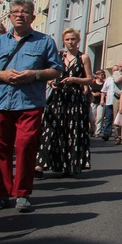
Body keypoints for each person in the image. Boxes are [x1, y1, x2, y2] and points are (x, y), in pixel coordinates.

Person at [0, 0, 62, 212]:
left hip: (30, 102)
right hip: (0, 102)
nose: (19, 15)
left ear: (33, 17)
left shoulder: (45, 41)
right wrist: (2, 75)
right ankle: (2, 193)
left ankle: (22, 193)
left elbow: (57, 70)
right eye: (15, 12)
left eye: (24, 12)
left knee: (25, 146)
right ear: (10, 16)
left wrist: (34, 74)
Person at [37, 28, 93, 177]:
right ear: (63, 41)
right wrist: (50, 82)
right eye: (67, 39)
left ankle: (70, 164)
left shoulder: (84, 57)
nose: (70, 42)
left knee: (71, 131)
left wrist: (74, 79)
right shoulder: (58, 56)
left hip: (75, 99)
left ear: (78, 40)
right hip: (58, 97)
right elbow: (48, 73)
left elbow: (89, 79)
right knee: (49, 128)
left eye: (73, 39)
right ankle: (40, 165)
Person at [99, 67, 115, 140]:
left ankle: (118, 136)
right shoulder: (109, 80)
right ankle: (106, 133)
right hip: (109, 102)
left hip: (118, 102)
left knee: (117, 120)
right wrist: (102, 100)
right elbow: (103, 91)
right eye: (114, 70)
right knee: (108, 118)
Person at [89, 69, 105, 136]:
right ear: (98, 76)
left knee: (99, 117)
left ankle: (97, 132)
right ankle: (92, 129)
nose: (103, 76)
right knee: (92, 117)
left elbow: (105, 91)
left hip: (101, 102)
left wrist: (102, 98)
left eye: (103, 74)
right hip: (93, 101)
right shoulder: (93, 82)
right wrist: (93, 94)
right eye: (101, 74)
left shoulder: (104, 83)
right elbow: (89, 89)